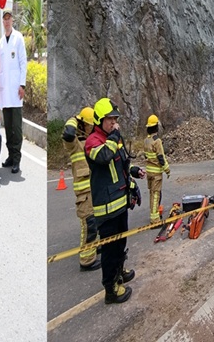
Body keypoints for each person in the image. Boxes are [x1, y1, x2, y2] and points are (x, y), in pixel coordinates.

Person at [85, 98, 145, 304]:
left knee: (120, 243)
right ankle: (111, 289)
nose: (114, 123)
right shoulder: (93, 142)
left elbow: (121, 165)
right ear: (99, 120)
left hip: (120, 205)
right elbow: (104, 157)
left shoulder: (113, 139)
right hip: (106, 209)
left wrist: (134, 172)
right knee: (109, 252)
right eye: (110, 119)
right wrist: (114, 135)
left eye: (115, 119)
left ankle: (120, 272)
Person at [62, 107, 101, 271]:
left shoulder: (90, 142)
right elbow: (68, 132)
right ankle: (87, 260)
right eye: (89, 125)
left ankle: (94, 247)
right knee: (89, 225)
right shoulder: (73, 143)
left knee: (96, 222)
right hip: (84, 194)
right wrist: (74, 119)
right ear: (83, 124)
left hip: (93, 190)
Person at [0, 9, 28, 174]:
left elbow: (23, 63)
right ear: (2, 21)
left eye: (9, 19)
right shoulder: (1, 42)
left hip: (15, 91)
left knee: (16, 126)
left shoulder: (18, 38)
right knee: (7, 125)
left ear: (12, 21)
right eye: (4, 19)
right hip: (4, 91)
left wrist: (22, 85)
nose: (7, 22)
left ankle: (17, 158)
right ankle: (10, 155)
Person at [143, 114, 170, 225]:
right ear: (156, 127)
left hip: (149, 172)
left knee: (152, 194)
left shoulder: (146, 140)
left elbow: (146, 156)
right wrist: (167, 170)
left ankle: (154, 213)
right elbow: (161, 157)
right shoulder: (156, 141)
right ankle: (155, 220)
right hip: (156, 173)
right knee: (156, 195)